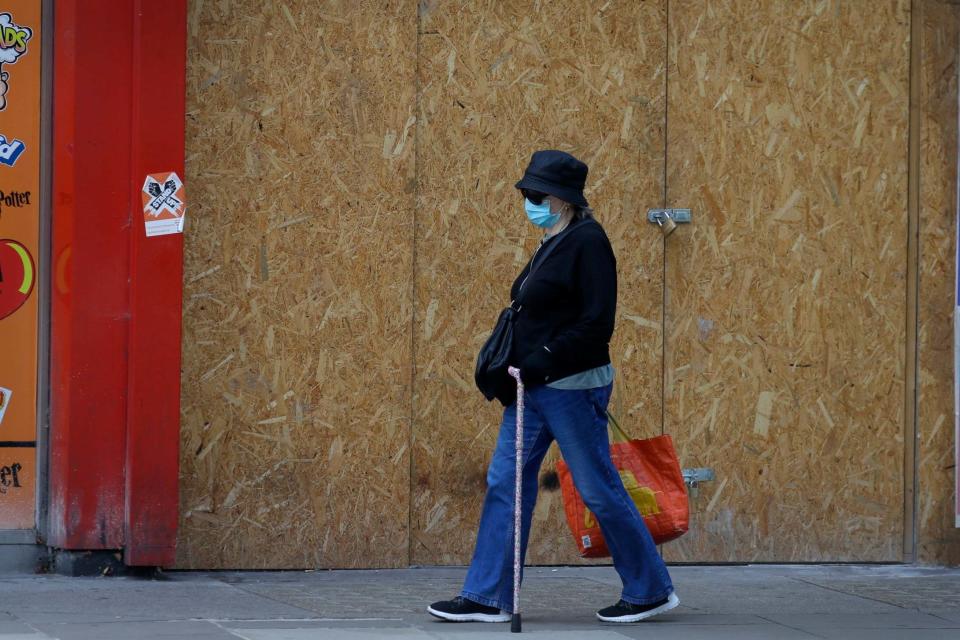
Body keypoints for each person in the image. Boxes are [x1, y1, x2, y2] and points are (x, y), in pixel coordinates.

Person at [427, 150, 678, 624]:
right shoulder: (553, 238)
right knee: (506, 480)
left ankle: (650, 590)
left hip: (571, 388)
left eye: (535, 195)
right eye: (525, 194)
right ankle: (488, 596)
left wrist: (541, 360)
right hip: (530, 390)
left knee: (597, 488)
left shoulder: (589, 242)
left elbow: (596, 324)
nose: (528, 202)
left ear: (562, 200)